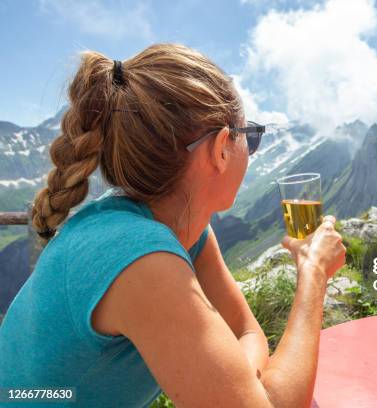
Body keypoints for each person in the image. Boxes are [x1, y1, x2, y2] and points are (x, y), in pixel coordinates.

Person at [0, 43, 346, 408]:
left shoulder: (180, 230)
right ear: (222, 148)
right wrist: (314, 273)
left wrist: (234, 386)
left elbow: (247, 331)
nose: (251, 147)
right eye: (251, 136)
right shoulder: (141, 258)